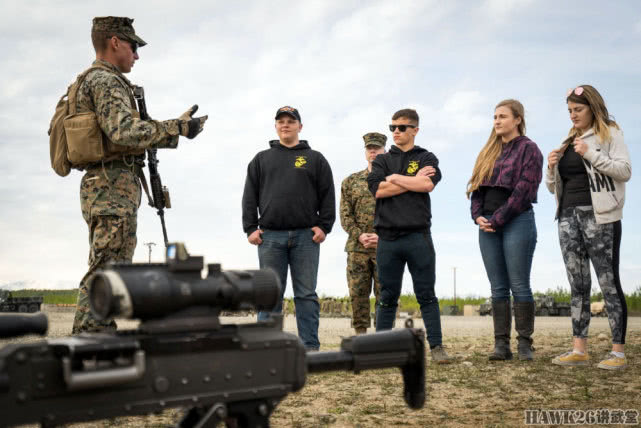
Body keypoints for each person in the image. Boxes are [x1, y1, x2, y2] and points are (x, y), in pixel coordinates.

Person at [72, 17, 208, 334]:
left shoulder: (100, 80)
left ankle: (94, 337)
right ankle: (90, 341)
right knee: (107, 269)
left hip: (110, 187)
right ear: (115, 41)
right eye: (133, 46)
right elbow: (124, 132)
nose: (137, 55)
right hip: (110, 188)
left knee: (110, 266)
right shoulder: (104, 80)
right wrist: (178, 128)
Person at [547, 85, 631, 370]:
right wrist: (551, 168)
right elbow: (552, 187)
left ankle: (618, 352)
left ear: (593, 108)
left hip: (601, 216)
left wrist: (592, 154)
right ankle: (579, 349)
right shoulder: (567, 140)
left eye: (578, 110)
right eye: (570, 111)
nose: (573, 115)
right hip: (567, 216)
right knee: (577, 285)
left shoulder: (610, 133)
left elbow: (625, 171)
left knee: (608, 282)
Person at [242, 106, 335, 351]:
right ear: (276, 126)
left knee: (305, 294)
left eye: (291, 121)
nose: (285, 125)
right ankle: (267, 348)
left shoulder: (315, 158)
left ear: (299, 127)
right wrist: (251, 227)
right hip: (270, 237)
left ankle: (310, 348)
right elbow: (249, 196)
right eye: (281, 121)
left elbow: (328, 196)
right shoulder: (261, 159)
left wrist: (324, 226)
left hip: (306, 237)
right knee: (270, 294)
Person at [367, 108, 452, 364]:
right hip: (388, 239)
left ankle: (436, 347)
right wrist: (410, 180)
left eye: (401, 127)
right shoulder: (382, 160)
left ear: (414, 129)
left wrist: (396, 179)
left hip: (418, 237)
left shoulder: (426, 156)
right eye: (392, 127)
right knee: (387, 296)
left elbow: (427, 185)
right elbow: (378, 190)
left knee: (426, 293)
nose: (395, 132)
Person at [466, 99, 543, 361]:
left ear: (517, 119)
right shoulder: (488, 151)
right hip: (487, 224)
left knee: (519, 284)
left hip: (517, 220)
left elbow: (525, 189)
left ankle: (524, 344)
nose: (497, 121)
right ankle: (501, 345)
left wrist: (499, 218)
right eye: (495, 117)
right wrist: (478, 216)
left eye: (502, 116)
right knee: (497, 287)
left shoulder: (529, 149)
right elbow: (476, 188)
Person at [340, 132, 386, 334]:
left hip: (386, 246)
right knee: (358, 293)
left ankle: (384, 336)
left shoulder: (393, 179)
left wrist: (382, 236)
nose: (373, 151)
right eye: (370, 148)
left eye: (377, 147)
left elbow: (401, 213)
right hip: (357, 248)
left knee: (386, 293)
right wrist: (359, 234)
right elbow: (345, 215)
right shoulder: (351, 181)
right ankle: (361, 335)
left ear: (385, 150)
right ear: (365, 151)